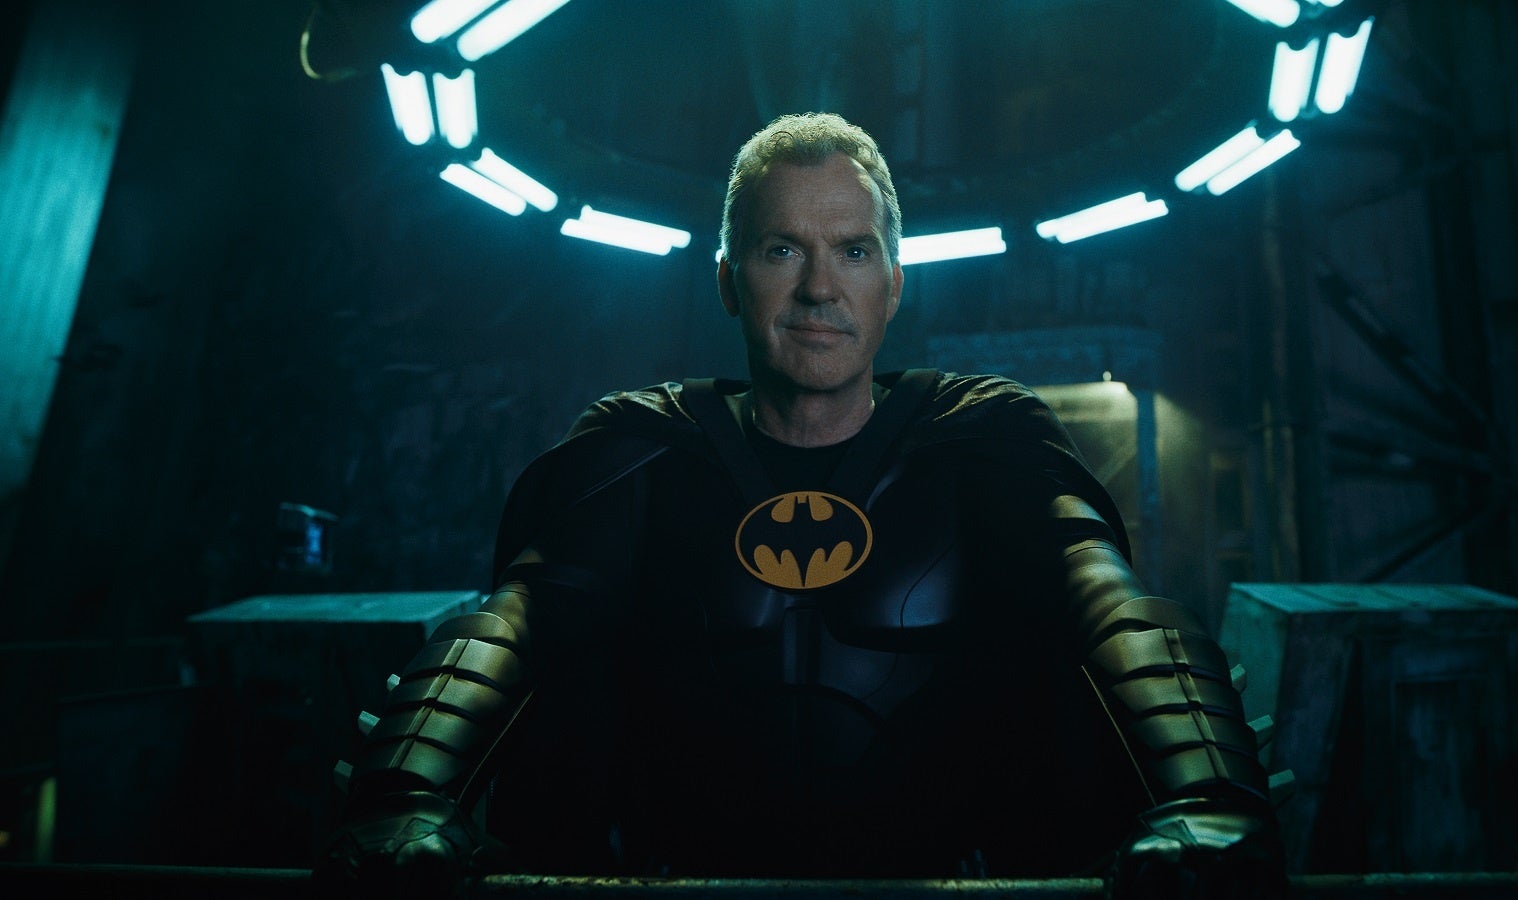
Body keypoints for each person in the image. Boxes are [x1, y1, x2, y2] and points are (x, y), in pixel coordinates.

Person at [313, 112, 1288, 898]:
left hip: (949, 892)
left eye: (852, 252)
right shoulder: (642, 447)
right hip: (671, 893)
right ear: (728, 279)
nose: (820, 287)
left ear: (892, 285)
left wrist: (1208, 796)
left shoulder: (980, 437)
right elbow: (516, 625)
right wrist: (406, 796)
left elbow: (1112, 608)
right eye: (782, 249)